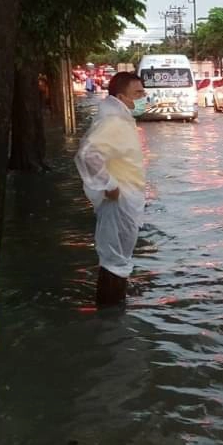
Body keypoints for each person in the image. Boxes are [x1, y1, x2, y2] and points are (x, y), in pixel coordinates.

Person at [75, 71, 148, 306]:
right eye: (138, 93)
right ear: (121, 96)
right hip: (120, 201)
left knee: (118, 258)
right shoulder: (114, 122)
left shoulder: (121, 119)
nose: (144, 97)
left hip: (126, 198)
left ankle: (114, 308)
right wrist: (109, 185)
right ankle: (110, 313)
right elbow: (88, 154)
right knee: (114, 261)